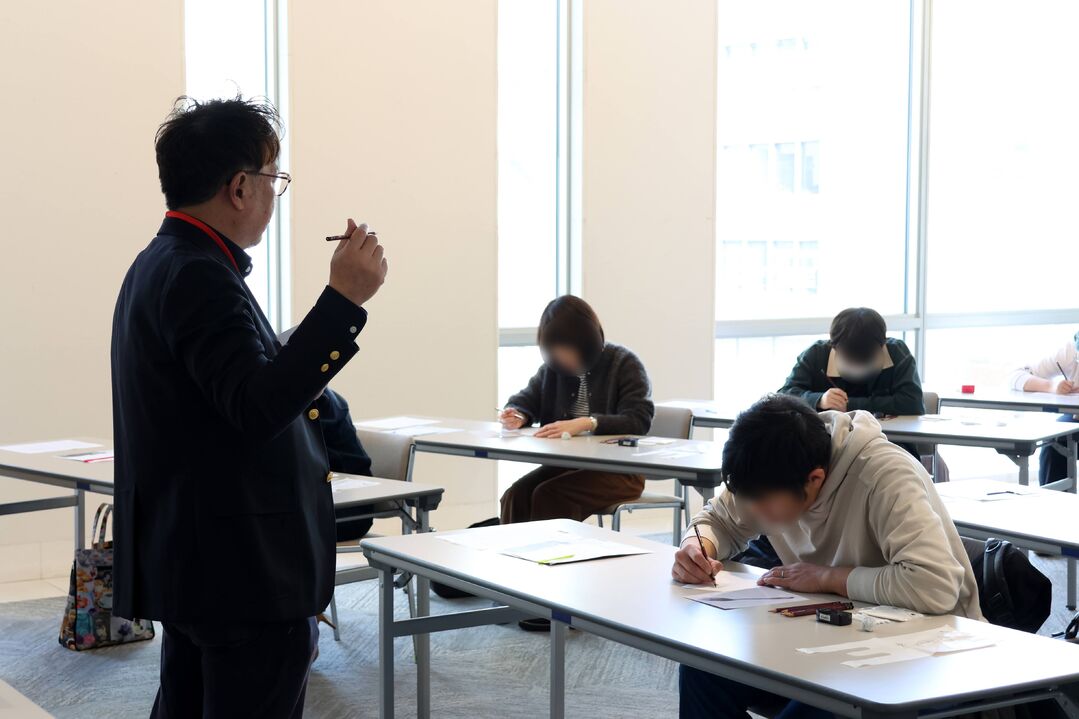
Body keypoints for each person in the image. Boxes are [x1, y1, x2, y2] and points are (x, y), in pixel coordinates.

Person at [111, 96, 388, 718]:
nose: (273, 194)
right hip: (242, 570)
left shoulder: (162, 263)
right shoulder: (199, 274)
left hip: (201, 560)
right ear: (240, 187)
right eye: (273, 178)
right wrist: (343, 301)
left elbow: (226, 401)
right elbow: (256, 408)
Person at [672, 395, 979, 719]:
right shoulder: (768, 472)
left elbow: (935, 586)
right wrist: (698, 546)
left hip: (929, 652)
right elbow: (718, 520)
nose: (753, 510)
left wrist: (828, 578)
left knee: (823, 702)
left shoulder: (884, 475)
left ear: (815, 479)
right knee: (703, 670)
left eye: (762, 501)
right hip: (836, 636)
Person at [498, 295, 655, 525]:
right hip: (568, 465)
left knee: (549, 495)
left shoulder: (623, 363)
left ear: (586, 341)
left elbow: (638, 420)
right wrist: (518, 414)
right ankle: (514, 548)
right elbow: (526, 399)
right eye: (555, 351)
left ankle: (553, 548)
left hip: (620, 471)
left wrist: (587, 423)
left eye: (567, 349)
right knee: (515, 495)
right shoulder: (553, 370)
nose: (562, 357)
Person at [778, 307, 924, 417]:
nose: (857, 367)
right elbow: (783, 396)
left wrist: (850, 405)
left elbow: (913, 403)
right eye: (851, 360)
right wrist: (819, 399)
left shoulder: (897, 353)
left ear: (882, 345)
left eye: (864, 360)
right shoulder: (816, 354)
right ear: (833, 346)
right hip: (829, 440)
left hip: (889, 439)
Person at [1008, 332, 1079, 485]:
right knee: (1056, 441)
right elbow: (1016, 377)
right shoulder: (1071, 352)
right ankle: (1053, 499)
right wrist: (1052, 386)